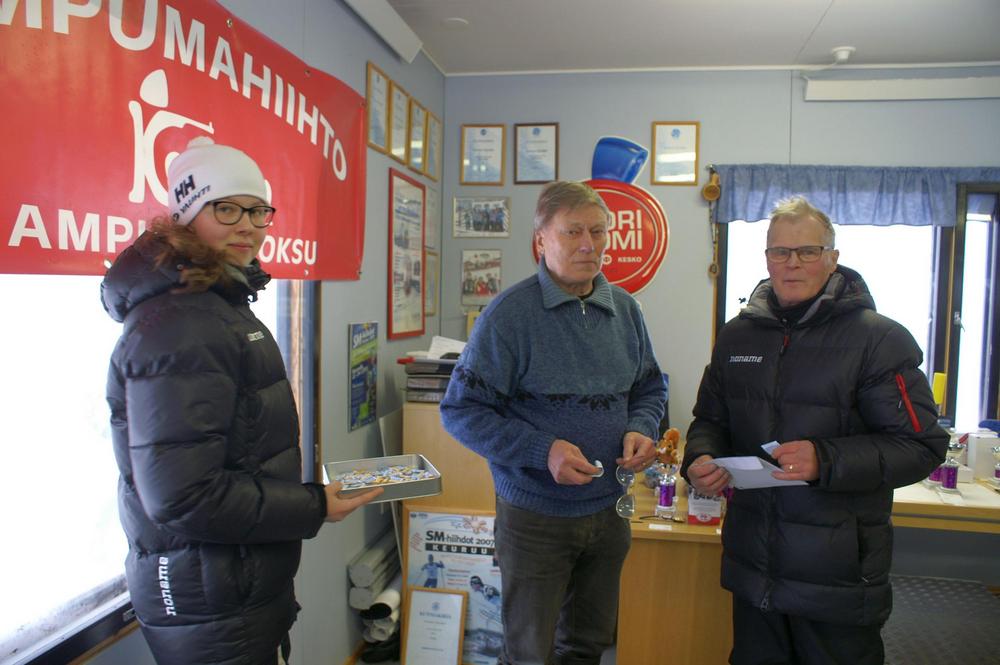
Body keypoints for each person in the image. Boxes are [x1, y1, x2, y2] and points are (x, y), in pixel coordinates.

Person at [102, 137, 381, 665]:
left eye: (257, 211)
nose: (247, 225)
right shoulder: (180, 323)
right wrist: (315, 506)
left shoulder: (215, 304)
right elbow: (185, 497)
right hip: (210, 600)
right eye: (226, 209)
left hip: (234, 586)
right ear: (185, 216)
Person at [681, 196, 947, 665]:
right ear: (766, 258)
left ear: (832, 258)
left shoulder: (879, 339)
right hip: (754, 566)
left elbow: (921, 446)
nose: (792, 263)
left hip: (837, 575)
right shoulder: (737, 336)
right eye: (780, 251)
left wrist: (825, 460)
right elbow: (710, 421)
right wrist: (699, 458)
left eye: (807, 251)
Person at [440, 180, 667, 665]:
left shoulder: (626, 310)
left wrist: (641, 427)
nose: (589, 244)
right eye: (573, 232)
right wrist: (543, 450)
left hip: (609, 511)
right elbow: (461, 411)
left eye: (598, 232)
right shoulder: (509, 316)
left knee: (588, 646)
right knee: (529, 653)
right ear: (541, 240)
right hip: (535, 518)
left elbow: (650, 388)